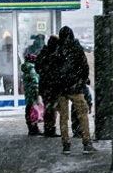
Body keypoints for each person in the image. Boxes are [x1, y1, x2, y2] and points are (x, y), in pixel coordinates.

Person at [54, 26, 95, 155]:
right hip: (76, 88)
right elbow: (84, 67)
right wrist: (82, 80)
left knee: (63, 117)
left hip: (61, 89)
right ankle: (86, 143)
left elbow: (53, 70)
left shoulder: (58, 50)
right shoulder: (76, 49)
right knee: (82, 115)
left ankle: (66, 145)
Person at [35, 34, 61, 139]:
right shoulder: (56, 54)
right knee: (53, 107)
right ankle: (51, 128)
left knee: (48, 107)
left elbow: (38, 68)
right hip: (54, 85)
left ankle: (48, 128)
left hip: (45, 85)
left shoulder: (43, 53)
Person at [20, 53, 41, 136]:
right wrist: (37, 95)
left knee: (29, 110)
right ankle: (34, 128)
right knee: (34, 111)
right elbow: (35, 83)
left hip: (28, 94)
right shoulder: (32, 69)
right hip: (33, 94)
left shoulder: (26, 69)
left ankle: (31, 128)